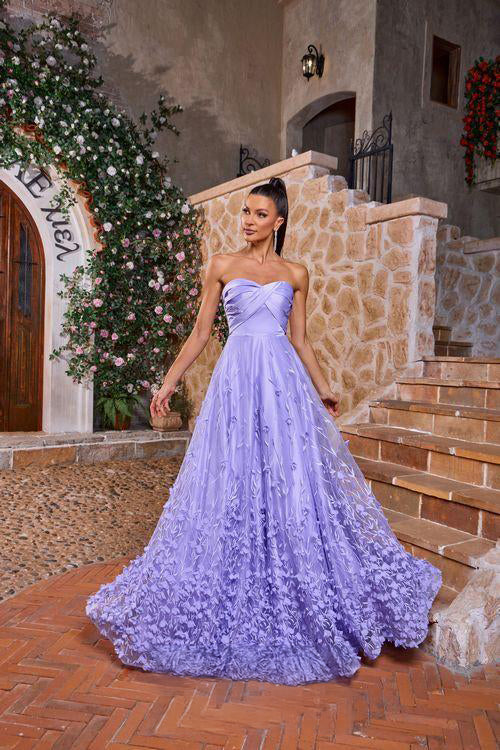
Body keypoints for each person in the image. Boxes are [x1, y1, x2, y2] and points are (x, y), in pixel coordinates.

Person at [86, 176, 442, 685]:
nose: (248, 221)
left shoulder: (296, 274)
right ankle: (230, 575)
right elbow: (201, 332)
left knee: (288, 479)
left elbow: (300, 340)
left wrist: (323, 388)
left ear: (278, 221)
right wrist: (168, 382)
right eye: (245, 212)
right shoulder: (221, 265)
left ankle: (292, 578)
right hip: (236, 384)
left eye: (258, 214)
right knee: (231, 477)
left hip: (282, 387)